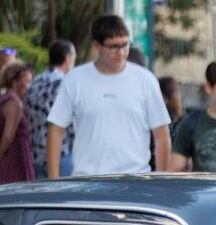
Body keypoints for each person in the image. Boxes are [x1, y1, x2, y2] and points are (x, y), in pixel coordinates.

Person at [46, 16, 169, 178]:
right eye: (113, 47)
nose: (121, 52)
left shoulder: (145, 80)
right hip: (87, 181)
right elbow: (55, 130)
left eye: (125, 44)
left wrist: (161, 180)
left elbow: (161, 133)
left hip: (136, 181)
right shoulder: (75, 80)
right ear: (96, 46)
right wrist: (53, 181)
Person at [24, 39, 76, 179]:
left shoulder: (33, 84)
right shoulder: (64, 84)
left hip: (36, 158)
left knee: (44, 200)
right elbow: (71, 126)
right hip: (62, 157)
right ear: (67, 58)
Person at [0, 62, 35, 184]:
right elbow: (8, 136)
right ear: (15, 82)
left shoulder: (3, 99)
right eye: (28, 81)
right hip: (14, 158)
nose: (30, 86)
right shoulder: (14, 103)